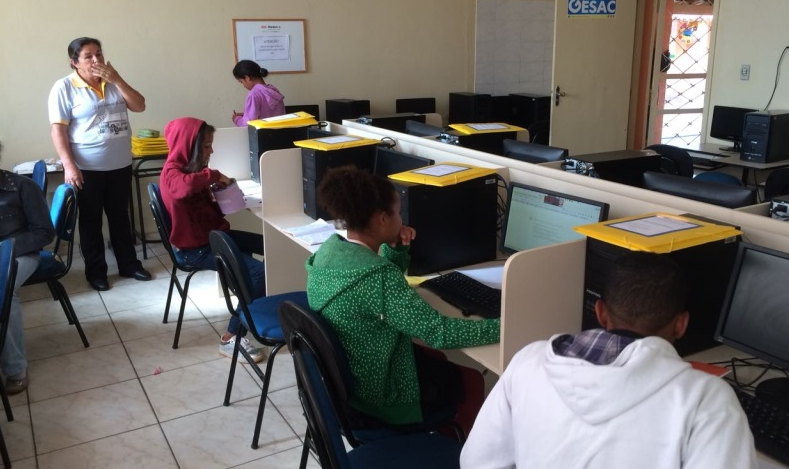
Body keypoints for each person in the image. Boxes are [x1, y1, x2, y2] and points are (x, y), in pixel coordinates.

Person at [460, 251, 757, 469]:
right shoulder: (708, 400)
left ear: (601, 313)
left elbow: (477, 462)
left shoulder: (529, 360)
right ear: (681, 324)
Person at [305, 166, 500, 437]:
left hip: (347, 382)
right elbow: (439, 332)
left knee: (436, 359)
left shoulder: (330, 252)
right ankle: (446, 452)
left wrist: (396, 251)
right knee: (471, 380)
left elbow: (375, 295)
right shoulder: (377, 277)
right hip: (379, 396)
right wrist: (505, 325)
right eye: (398, 213)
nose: (402, 219)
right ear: (382, 220)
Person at [48, 37, 151, 292]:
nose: (96, 61)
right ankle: (96, 272)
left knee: (120, 217)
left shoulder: (114, 82)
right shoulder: (64, 87)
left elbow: (139, 105)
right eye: (88, 56)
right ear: (74, 63)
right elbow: (58, 131)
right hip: (87, 167)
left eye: (99, 54)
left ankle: (129, 264)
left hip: (120, 163)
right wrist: (69, 166)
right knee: (91, 220)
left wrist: (117, 79)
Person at [159, 117, 266, 362]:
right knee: (260, 275)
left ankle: (248, 297)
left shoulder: (189, 169)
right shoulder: (172, 172)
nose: (211, 150)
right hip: (196, 249)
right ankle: (232, 337)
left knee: (266, 245)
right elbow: (182, 188)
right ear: (190, 146)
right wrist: (214, 175)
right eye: (207, 146)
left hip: (215, 237)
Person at [0, 141, 56, 394]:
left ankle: (15, 368)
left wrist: (6, 250)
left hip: (22, 255)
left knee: (2, 291)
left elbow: (44, 233)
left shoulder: (22, 187)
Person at [231, 60, 286, 126]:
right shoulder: (273, 90)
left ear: (247, 78)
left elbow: (248, 124)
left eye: (241, 82)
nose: (243, 86)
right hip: (280, 134)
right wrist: (245, 114)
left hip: (262, 135)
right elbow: (268, 114)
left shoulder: (254, 95)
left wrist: (236, 119)